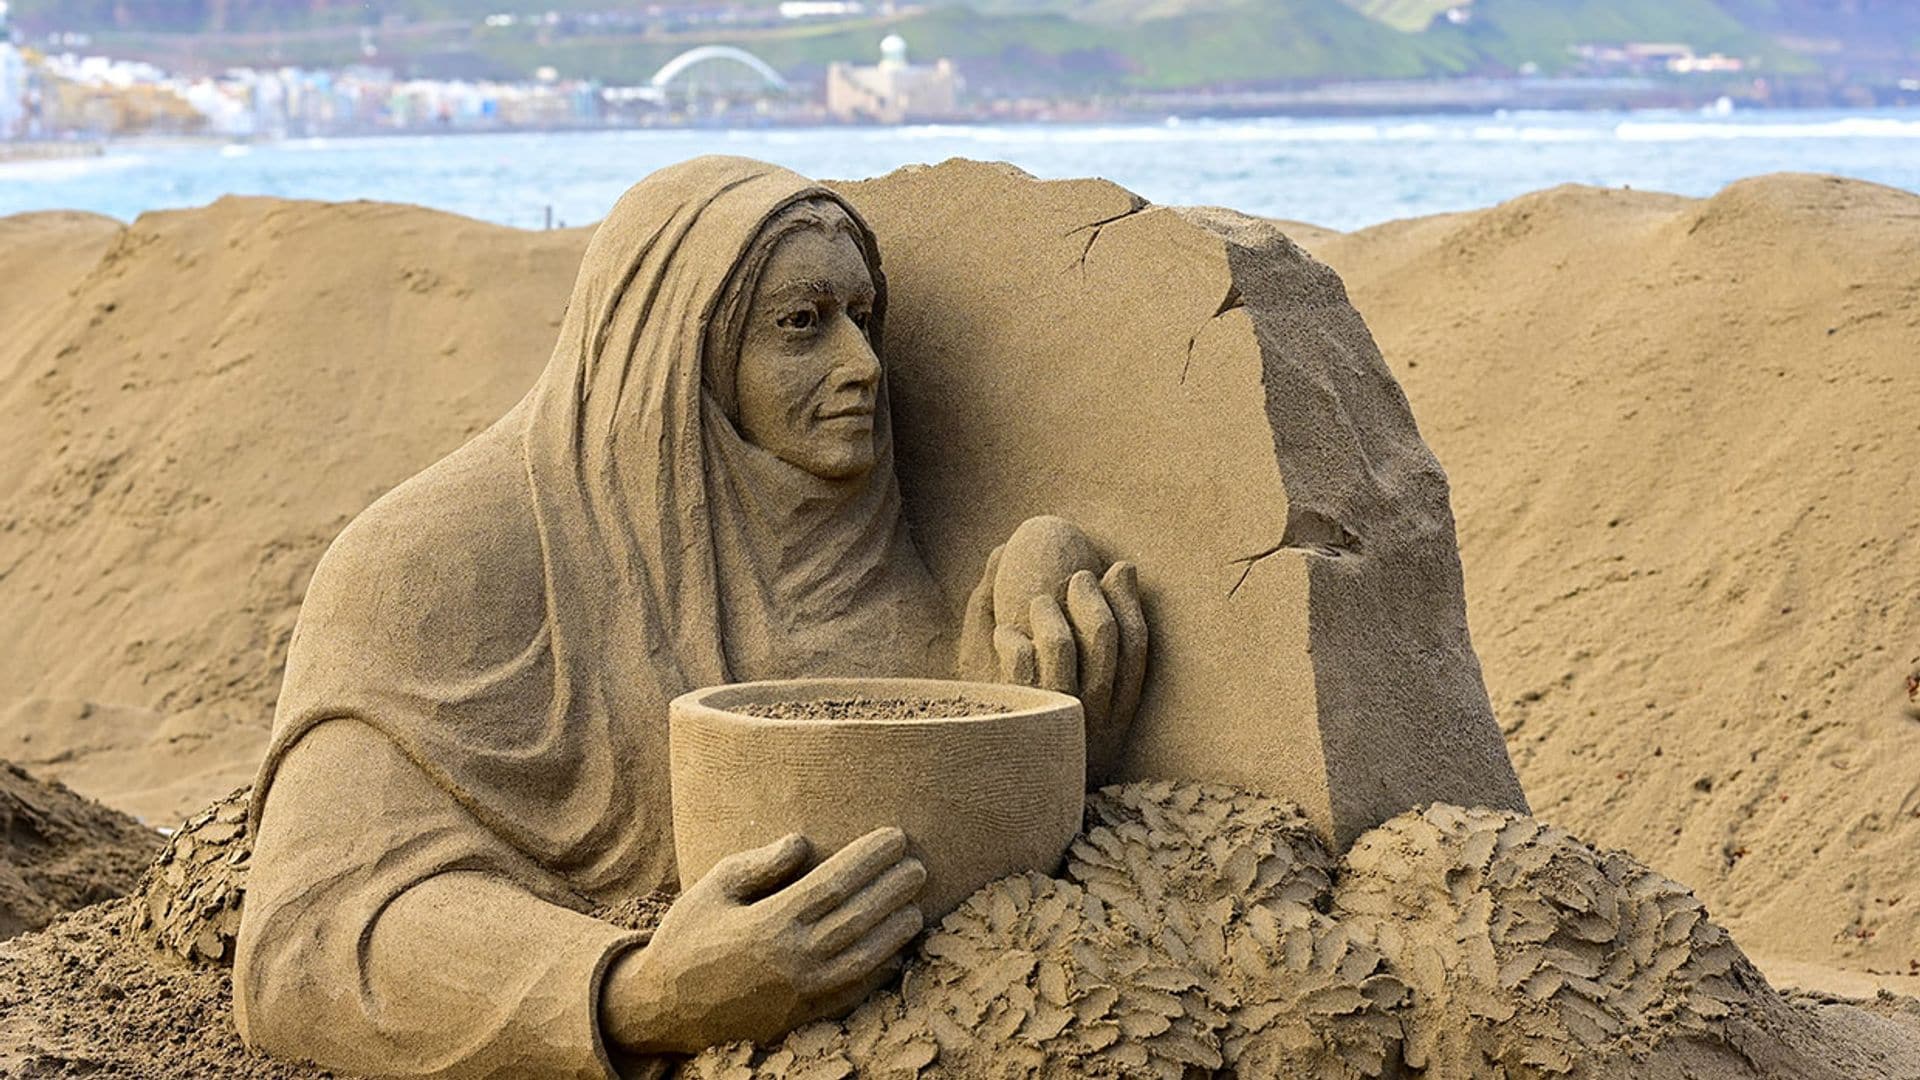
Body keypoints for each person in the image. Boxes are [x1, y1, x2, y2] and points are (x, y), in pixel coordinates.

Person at [233, 156, 1145, 1078]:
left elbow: (919, 856)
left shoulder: (861, 546)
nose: (863, 365)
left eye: (863, 320)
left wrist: (1052, 719)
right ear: (683, 348)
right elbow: (306, 943)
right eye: (800, 325)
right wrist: (645, 993)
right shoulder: (430, 563)